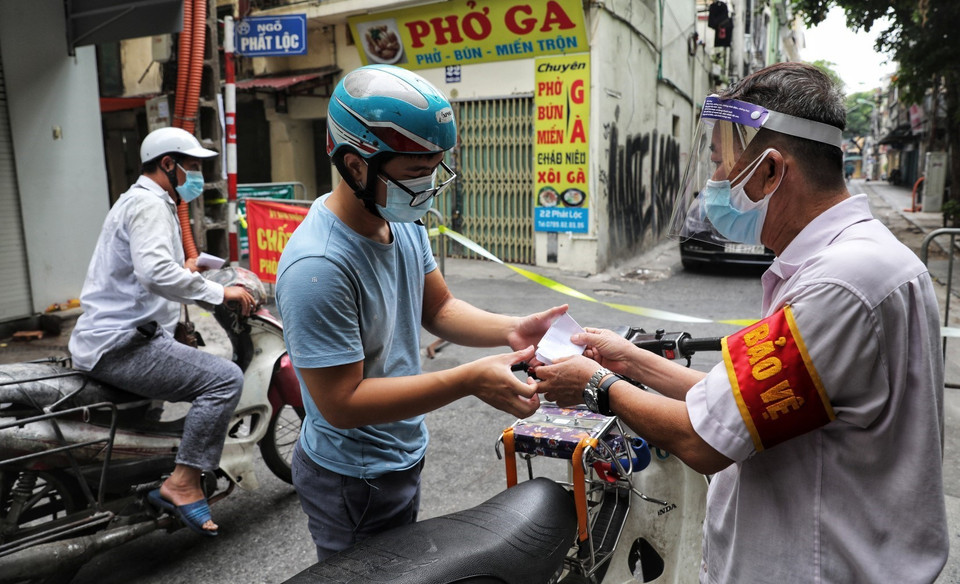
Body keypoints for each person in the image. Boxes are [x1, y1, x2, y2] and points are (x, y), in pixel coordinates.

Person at [535, 62, 948, 583]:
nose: (713, 184)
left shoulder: (837, 284)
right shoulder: (858, 261)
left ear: (773, 171)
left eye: (720, 165)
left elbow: (702, 442)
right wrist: (630, 359)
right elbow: (742, 403)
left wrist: (596, 385)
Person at [274, 64, 565, 561]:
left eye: (433, 170)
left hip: (397, 451)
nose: (427, 187)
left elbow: (440, 307)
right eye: (414, 173)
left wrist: (512, 329)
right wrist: (468, 379)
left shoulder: (396, 216)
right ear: (355, 165)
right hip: (352, 475)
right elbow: (341, 403)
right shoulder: (317, 267)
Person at [69, 127, 255, 536]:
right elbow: (155, 273)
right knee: (224, 379)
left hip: (118, 336)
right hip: (122, 343)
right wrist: (221, 292)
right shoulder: (148, 205)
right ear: (167, 164)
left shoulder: (146, 202)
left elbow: (148, 273)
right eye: (191, 167)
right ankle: (183, 483)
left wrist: (189, 273)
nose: (197, 178)